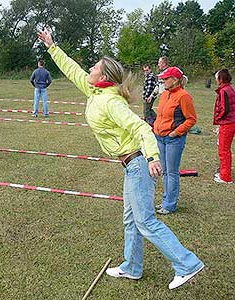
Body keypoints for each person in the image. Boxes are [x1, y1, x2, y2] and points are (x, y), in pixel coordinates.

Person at [37, 29, 203, 290]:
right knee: (131, 220)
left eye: (93, 66)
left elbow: (142, 129)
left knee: (146, 221)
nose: (89, 68)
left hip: (138, 164)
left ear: (103, 76)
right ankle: (132, 267)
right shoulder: (95, 92)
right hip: (130, 166)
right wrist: (52, 46)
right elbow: (73, 70)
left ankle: (187, 264)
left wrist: (153, 157)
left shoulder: (112, 102)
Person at [153, 67, 197, 215]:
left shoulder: (184, 96)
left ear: (175, 80)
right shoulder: (165, 94)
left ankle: (170, 205)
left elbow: (191, 119)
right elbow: (161, 116)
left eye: (166, 78)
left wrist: (175, 133)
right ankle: (166, 200)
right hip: (160, 138)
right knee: (165, 172)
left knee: (171, 173)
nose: (163, 81)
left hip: (173, 140)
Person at [213, 69, 235, 184]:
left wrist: (219, 119)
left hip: (227, 124)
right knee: (225, 150)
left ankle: (225, 177)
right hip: (230, 123)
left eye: (217, 78)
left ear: (221, 79)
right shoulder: (229, 88)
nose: (216, 80)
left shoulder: (224, 91)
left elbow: (225, 109)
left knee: (223, 150)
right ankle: (223, 172)